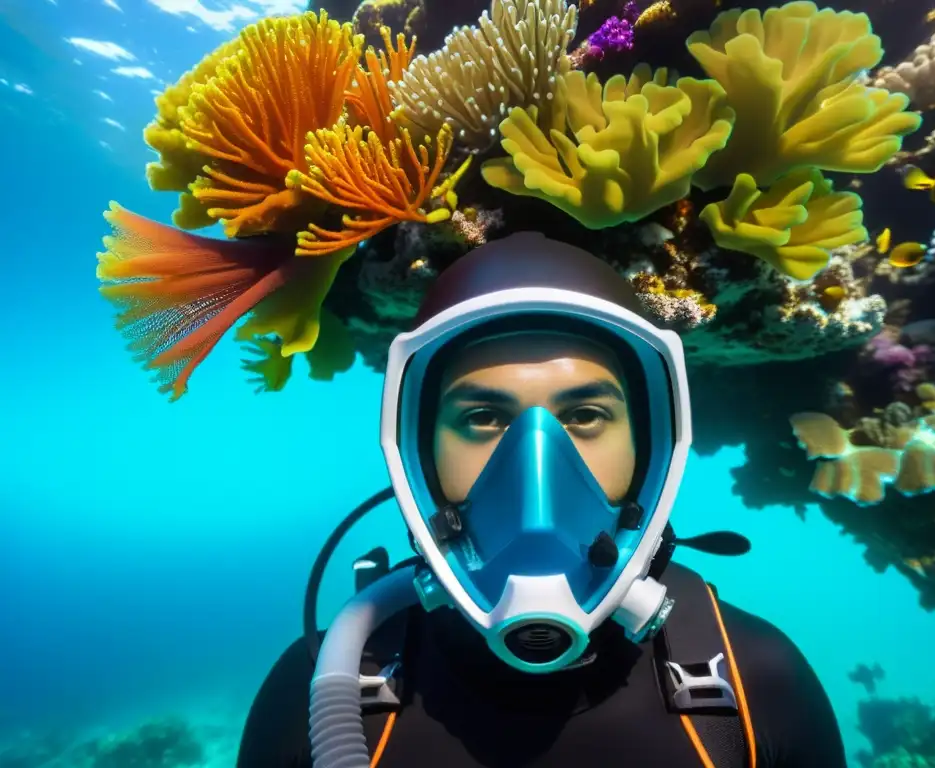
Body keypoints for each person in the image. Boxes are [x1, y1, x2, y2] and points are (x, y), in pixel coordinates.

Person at [236, 232, 848, 768]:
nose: (534, 478)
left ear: (652, 449)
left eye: (584, 415)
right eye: (482, 417)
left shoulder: (756, 681)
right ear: (418, 456)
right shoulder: (320, 689)